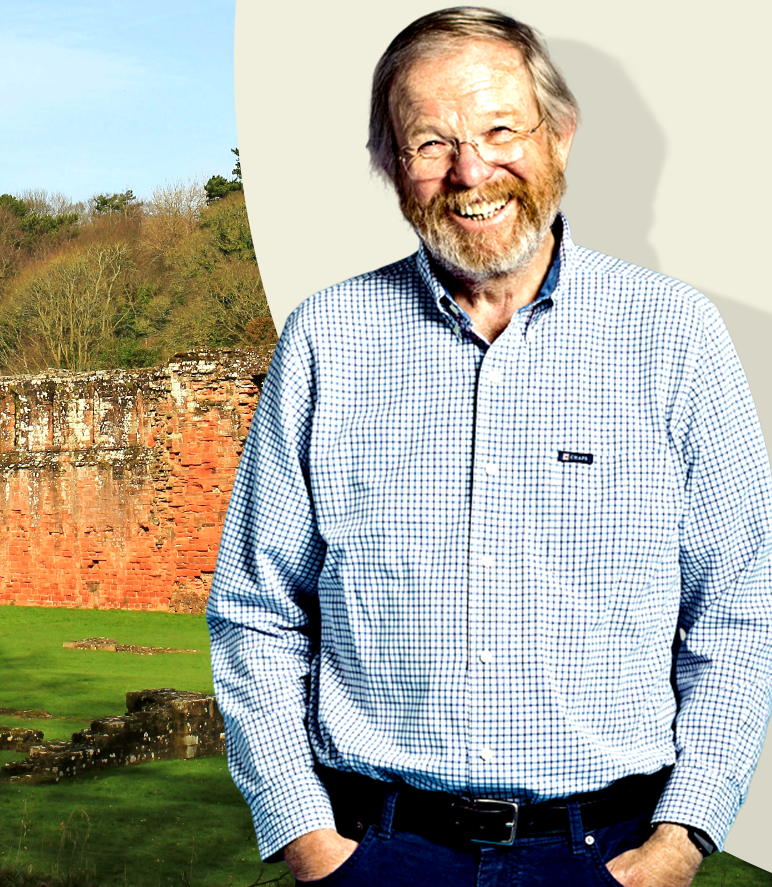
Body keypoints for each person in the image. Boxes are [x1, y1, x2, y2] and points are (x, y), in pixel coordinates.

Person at [206, 7, 772, 887]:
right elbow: (256, 608)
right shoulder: (327, 340)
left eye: (501, 128)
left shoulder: (676, 337)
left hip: (607, 852)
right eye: (431, 142)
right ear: (393, 164)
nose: (471, 171)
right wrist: (311, 843)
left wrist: (679, 843)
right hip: (379, 846)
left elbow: (741, 612)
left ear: (562, 134)